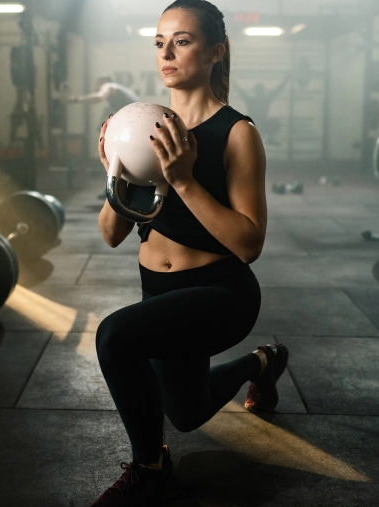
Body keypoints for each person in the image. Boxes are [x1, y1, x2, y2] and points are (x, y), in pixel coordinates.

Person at [91, 1, 288, 505]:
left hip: (219, 292)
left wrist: (181, 178)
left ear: (216, 52)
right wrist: (115, 172)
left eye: (182, 41)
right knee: (186, 412)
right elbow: (111, 233)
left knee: (115, 336)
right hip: (159, 289)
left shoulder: (237, 133)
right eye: (160, 43)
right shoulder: (142, 127)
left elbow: (249, 244)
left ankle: (151, 470)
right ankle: (261, 365)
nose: (167, 53)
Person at [65, 76, 140, 120]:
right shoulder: (117, 91)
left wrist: (76, 100)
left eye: (97, 83)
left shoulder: (107, 85)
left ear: (103, 82)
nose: (96, 86)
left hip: (133, 116)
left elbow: (99, 97)